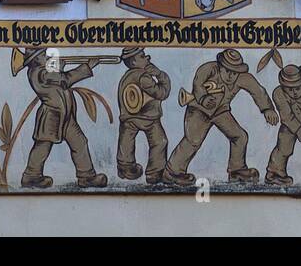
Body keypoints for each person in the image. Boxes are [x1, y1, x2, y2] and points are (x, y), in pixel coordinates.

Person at [166, 48, 278, 186]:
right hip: (198, 110)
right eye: (227, 70)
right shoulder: (208, 68)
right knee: (192, 141)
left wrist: (267, 109)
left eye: (234, 72)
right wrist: (203, 98)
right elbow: (198, 83)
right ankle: (172, 172)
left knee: (240, 136)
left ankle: (237, 170)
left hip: (220, 111)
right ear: (220, 66)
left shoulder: (243, 77)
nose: (231, 76)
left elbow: (258, 91)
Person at [18, 48, 107, 189]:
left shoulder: (46, 71)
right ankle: (31, 176)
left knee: (80, 142)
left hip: (65, 115)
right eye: (42, 55)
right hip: (51, 116)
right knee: (43, 147)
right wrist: (87, 67)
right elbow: (65, 79)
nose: (46, 56)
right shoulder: (38, 73)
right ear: (34, 59)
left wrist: (60, 67)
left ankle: (87, 176)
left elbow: (62, 78)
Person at [115, 47, 171, 185]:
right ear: (134, 62)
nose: (148, 58)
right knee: (159, 142)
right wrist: (160, 75)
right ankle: (154, 173)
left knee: (126, 140)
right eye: (143, 56)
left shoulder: (125, 78)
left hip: (128, 117)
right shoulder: (143, 76)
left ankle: (125, 167)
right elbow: (162, 93)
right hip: (148, 118)